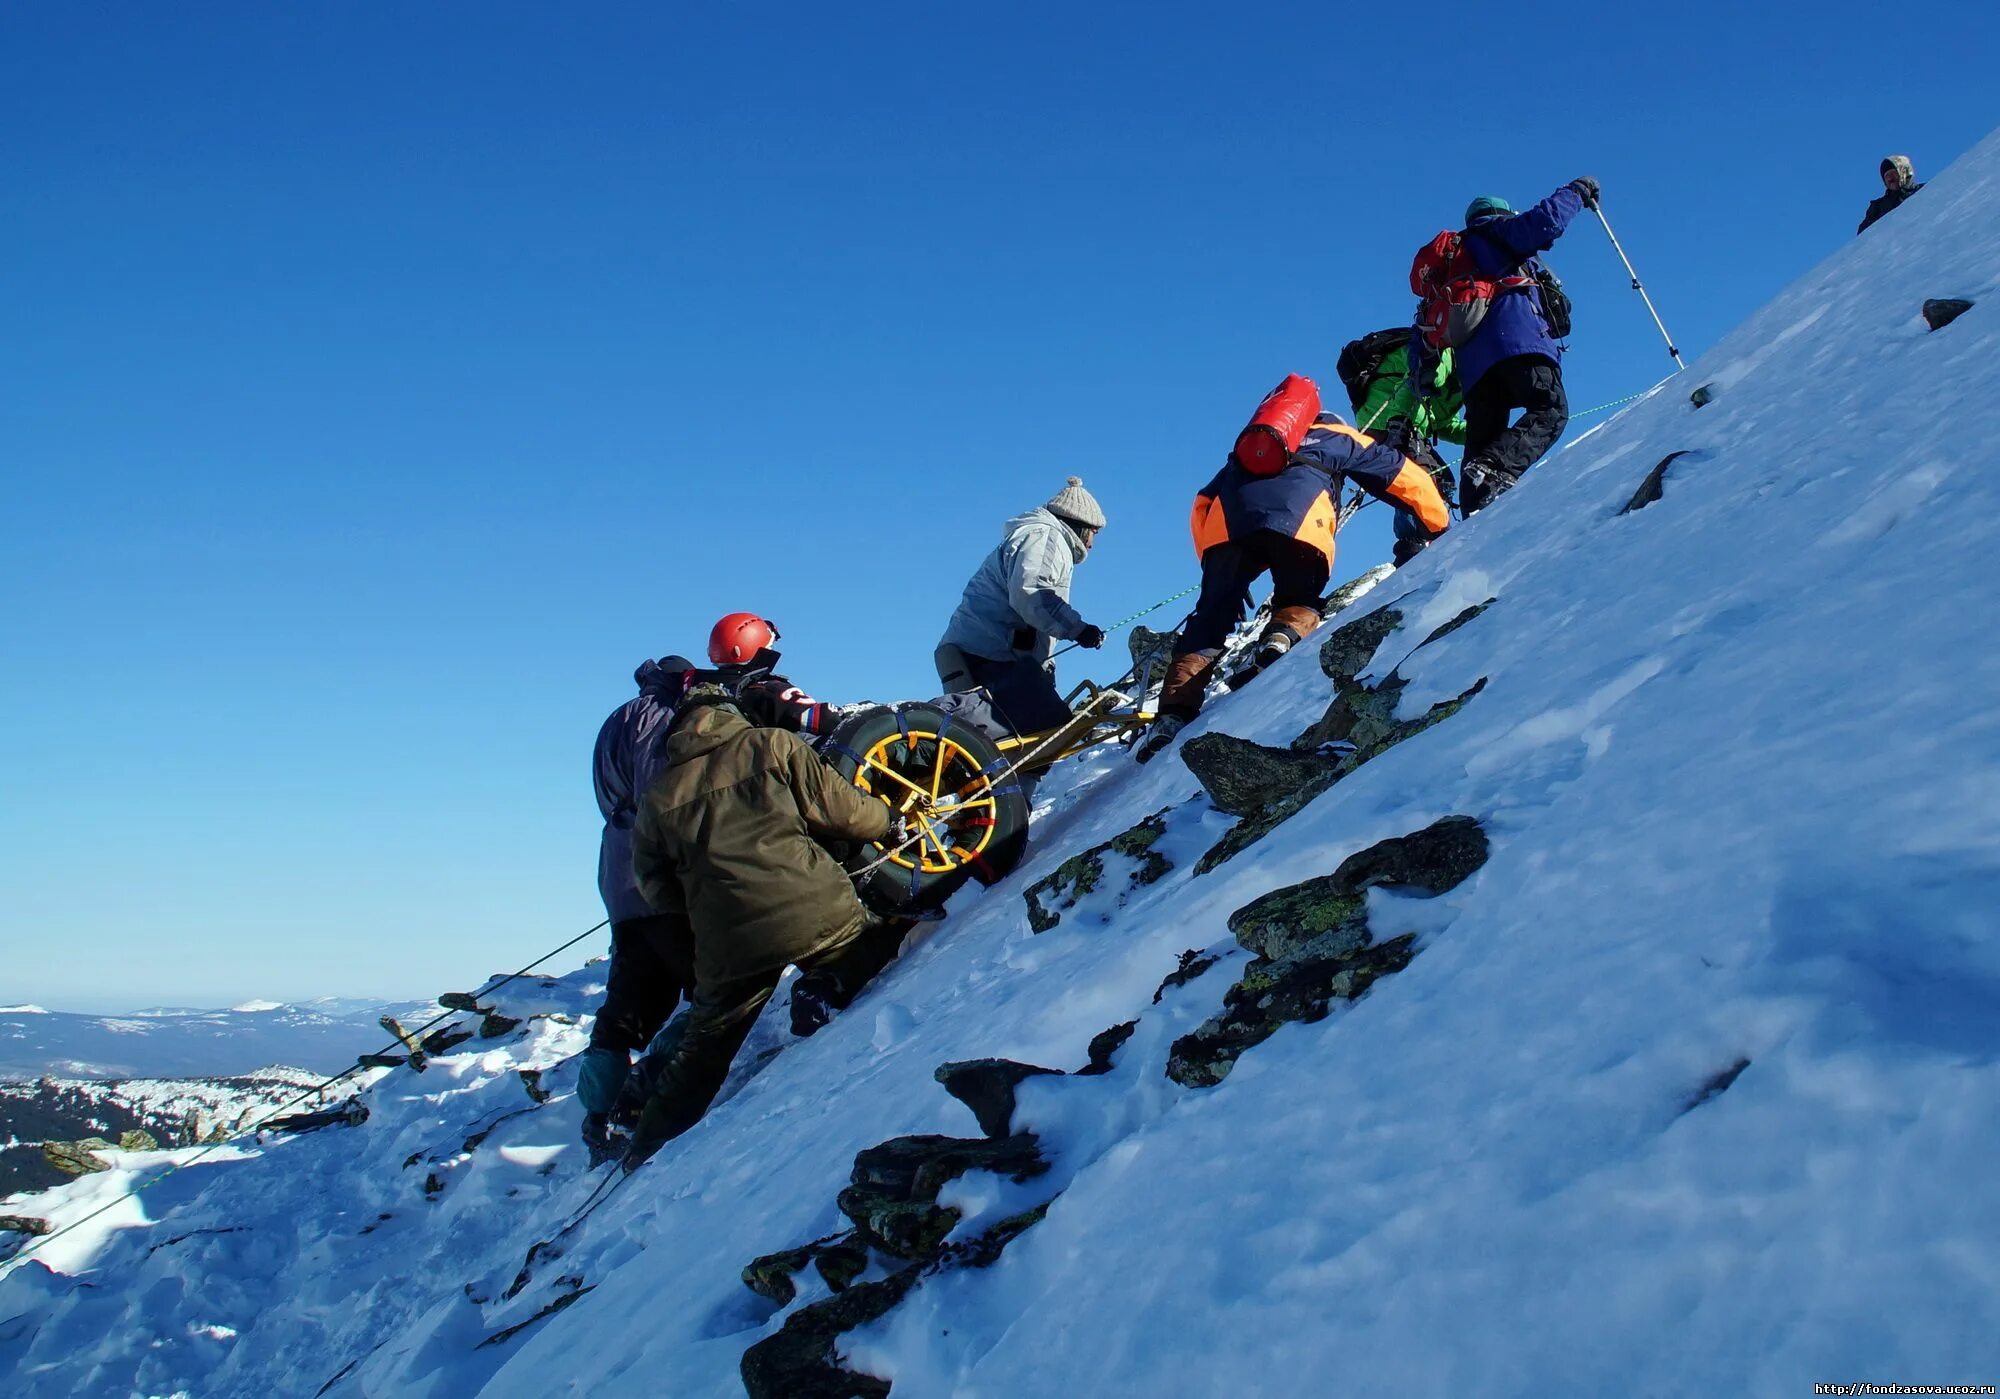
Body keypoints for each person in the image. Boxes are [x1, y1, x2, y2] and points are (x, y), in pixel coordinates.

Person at [621, 682, 906, 1168]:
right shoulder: (771, 744)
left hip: (727, 945)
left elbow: (657, 891)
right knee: (881, 935)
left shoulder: (658, 797)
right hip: (813, 908)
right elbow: (844, 813)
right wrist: (887, 819)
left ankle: (645, 1146)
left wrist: (706, 902)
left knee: (704, 1049)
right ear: (729, 712)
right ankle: (824, 986)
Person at [1133, 411, 1452, 763]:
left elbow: (1202, 505)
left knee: (1209, 619)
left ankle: (1172, 714)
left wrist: (1214, 566)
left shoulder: (1250, 449)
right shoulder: (1338, 437)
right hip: (1300, 526)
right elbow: (1404, 476)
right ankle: (1280, 639)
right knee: (1299, 597)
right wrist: (1438, 526)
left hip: (1227, 535)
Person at [577, 655, 698, 1157]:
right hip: (657, 873)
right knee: (710, 988)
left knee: (628, 1000)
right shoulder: (658, 715)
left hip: (618, 871)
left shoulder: (616, 718)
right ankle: (646, 1088)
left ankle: (597, 1114)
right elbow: (659, 792)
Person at [1425, 179, 1597, 514]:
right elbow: (1546, 221)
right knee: (1550, 410)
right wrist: (1576, 191)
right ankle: (1496, 467)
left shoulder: (1449, 265)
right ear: (1501, 213)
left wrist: (1426, 378)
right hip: (1517, 342)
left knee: (1483, 437)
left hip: (1473, 371)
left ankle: (1473, 513)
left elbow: (1426, 331)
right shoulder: (1496, 232)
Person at [934, 477, 1108, 740]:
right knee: (1047, 723)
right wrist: (1079, 629)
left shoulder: (1043, 537)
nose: (1092, 544)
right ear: (1081, 525)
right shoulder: (1045, 537)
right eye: (1094, 532)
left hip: (985, 651)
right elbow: (1033, 594)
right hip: (986, 652)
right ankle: (922, 723)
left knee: (1032, 736)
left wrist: (1044, 665)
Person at [1338, 327, 1466, 565]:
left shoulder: (1455, 377)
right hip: (1390, 418)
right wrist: (1398, 422)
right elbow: (1418, 378)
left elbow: (1444, 424)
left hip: (1386, 420)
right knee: (1421, 480)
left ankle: (1416, 543)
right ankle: (1414, 546)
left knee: (1433, 480)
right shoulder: (1444, 352)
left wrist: (1481, 434)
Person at [1859, 154, 1923, 234]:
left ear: (1904, 172)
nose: (1889, 178)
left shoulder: (1925, 191)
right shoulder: (1877, 207)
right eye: (1886, 176)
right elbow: (1864, 236)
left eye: (1893, 173)